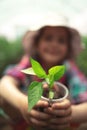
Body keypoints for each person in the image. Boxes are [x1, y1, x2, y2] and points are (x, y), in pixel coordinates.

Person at [0, 14, 87, 130]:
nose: (54, 44)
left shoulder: (68, 67)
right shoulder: (28, 63)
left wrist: (70, 113)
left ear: (68, 48)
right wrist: (22, 103)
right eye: (48, 38)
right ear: (37, 43)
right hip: (23, 120)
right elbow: (5, 84)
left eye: (61, 41)